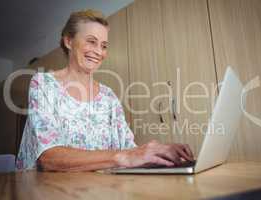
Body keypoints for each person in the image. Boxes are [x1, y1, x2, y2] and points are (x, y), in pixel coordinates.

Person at [16, 9, 193, 172]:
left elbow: (129, 151)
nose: (99, 52)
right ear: (69, 41)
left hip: (98, 190)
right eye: (91, 42)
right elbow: (49, 158)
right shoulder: (44, 84)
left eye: (104, 45)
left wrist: (160, 154)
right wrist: (123, 157)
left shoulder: (108, 97)